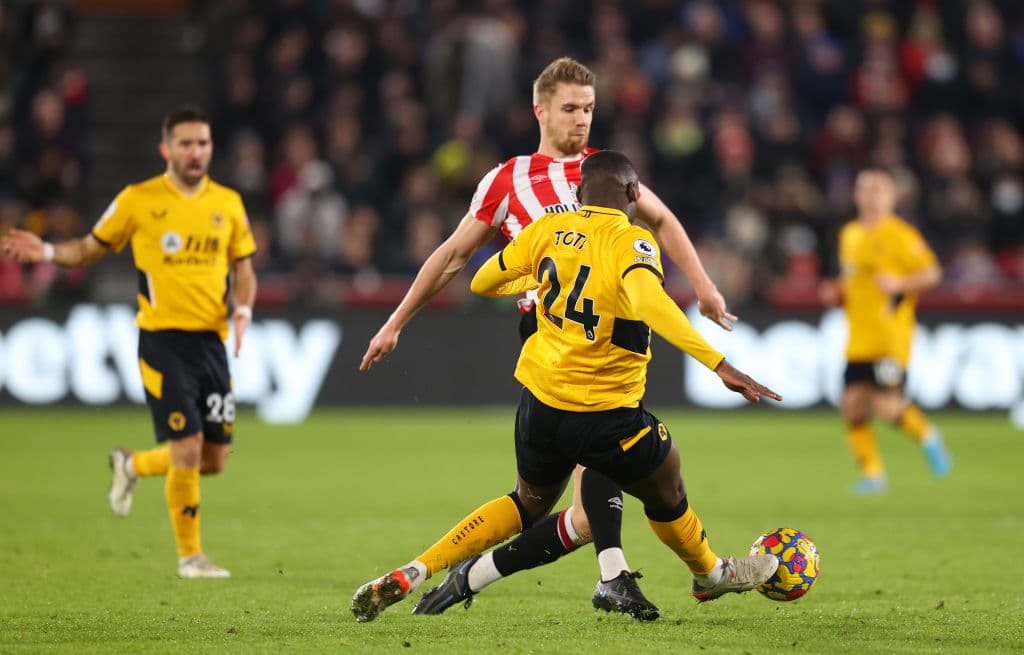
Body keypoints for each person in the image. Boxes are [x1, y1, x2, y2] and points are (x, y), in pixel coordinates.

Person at [360, 57, 736, 619]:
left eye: (588, 109)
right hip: (556, 340)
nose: (581, 120)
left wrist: (703, 288)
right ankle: (630, 576)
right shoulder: (508, 179)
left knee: (543, 503)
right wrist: (395, 322)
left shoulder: (605, 174)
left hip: (606, 338)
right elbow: (455, 256)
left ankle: (438, 571)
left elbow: (665, 220)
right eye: (569, 108)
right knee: (585, 493)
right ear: (540, 110)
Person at [1, 107, 258, 577]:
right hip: (163, 341)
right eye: (185, 143)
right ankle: (191, 557)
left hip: (212, 345)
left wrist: (242, 308)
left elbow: (244, 268)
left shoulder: (228, 203)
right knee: (186, 447)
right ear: (166, 149)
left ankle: (132, 464)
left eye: (202, 142)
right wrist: (50, 250)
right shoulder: (138, 200)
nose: (195, 151)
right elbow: (90, 247)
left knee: (212, 460)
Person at [820, 169, 951, 494]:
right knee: (851, 404)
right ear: (856, 196)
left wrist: (901, 283)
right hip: (858, 339)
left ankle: (929, 437)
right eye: (865, 189)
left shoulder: (901, 235)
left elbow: (933, 273)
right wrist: (837, 291)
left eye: (878, 190)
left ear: (892, 197)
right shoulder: (849, 235)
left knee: (886, 405)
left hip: (891, 338)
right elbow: (854, 283)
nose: (871, 196)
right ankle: (874, 476)